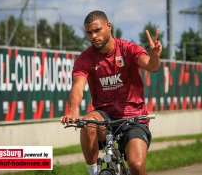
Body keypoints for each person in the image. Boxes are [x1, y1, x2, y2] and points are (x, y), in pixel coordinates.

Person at [60, 10, 162, 175]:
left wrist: (154, 56)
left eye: (97, 30)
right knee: (88, 122)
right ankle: (93, 173)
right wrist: (74, 109)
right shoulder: (85, 58)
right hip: (105, 116)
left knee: (136, 166)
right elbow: (78, 86)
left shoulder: (128, 49)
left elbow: (151, 66)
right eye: (89, 32)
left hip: (133, 117)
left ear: (109, 26)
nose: (94, 36)